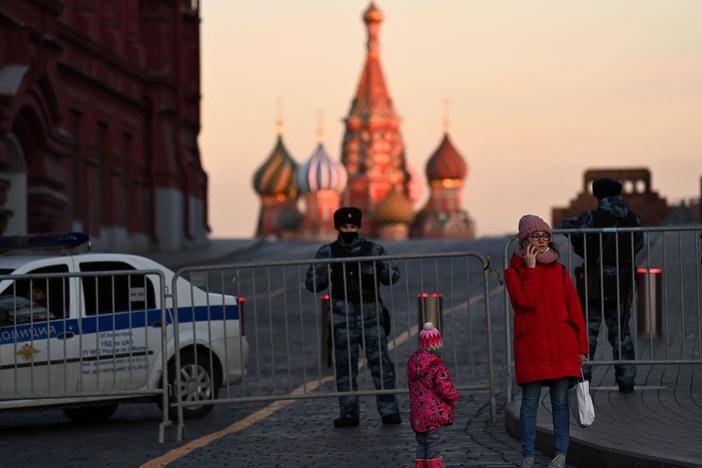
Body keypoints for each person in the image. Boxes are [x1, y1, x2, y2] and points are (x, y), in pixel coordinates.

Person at [306, 206, 402, 428]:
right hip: (343, 321)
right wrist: (321, 270)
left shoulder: (374, 249)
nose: (348, 230)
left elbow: (393, 276)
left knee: (381, 367)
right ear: (337, 227)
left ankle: (389, 410)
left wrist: (377, 269)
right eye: (343, 226)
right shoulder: (327, 252)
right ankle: (349, 413)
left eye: (352, 226)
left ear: (358, 227)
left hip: (371, 317)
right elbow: (313, 284)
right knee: (345, 369)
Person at [505, 214, 588, 468]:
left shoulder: (560, 270)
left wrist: (582, 348)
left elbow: (575, 310)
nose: (541, 241)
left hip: (562, 346)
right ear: (524, 239)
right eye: (535, 236)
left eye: (544, 236)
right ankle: (528, 456)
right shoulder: (513, 272)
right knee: (529, 403)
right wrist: (531, 270)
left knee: (560, 403)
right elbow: (525, 302)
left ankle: (560, 456)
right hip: (533, 346)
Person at [561, 177, 643, 393]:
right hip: (622, 284)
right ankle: (626, 379)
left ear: (597, 196)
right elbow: (639, 244)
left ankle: (583, 380)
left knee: (588, 335)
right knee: (621, 334)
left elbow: (568, 228)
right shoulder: (633, 219)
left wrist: (588, 251)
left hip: (594, 285)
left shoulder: (591, 218)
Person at [408, 322, 459, 468]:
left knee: (422, 443)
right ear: (437, 345)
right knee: (433, 443)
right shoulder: (436, 365)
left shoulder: (413, 364)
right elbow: (445, 387)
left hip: (417, 413)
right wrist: (454, 396)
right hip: (433, 413)